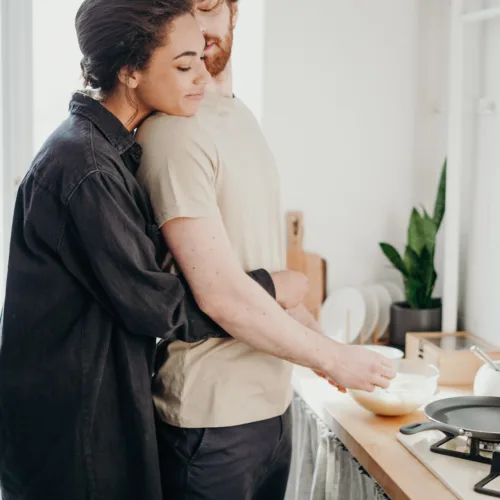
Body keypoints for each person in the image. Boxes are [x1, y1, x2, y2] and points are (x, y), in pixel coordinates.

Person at [0, 2, 305, 499]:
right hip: (74, 441)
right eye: (183, 66)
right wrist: (273, 288)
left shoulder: (107, 151)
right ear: (130, 71)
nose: (202, 79)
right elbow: (158, 306)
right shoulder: (86, 167)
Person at [135, 1, 396, 499]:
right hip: (210, 425)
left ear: (235, 11)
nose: (197, 26)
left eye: (208, 8)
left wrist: (325, 354)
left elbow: (261, 270)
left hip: (271, 410)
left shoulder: (236, 115)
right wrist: (332, 358)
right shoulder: (174, 131)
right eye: (183, 10)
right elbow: (222, 296)